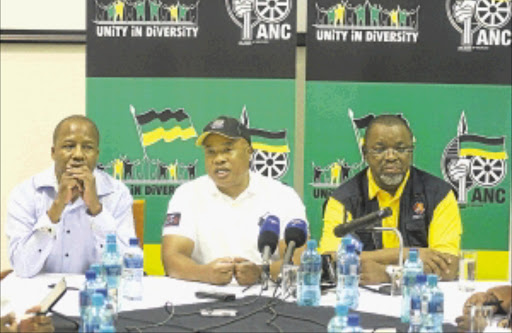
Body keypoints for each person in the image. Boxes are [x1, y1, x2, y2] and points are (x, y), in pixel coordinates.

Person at [161, 116, 307, 286]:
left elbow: (298, 261)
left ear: (249, 152)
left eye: (227, 150)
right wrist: (205, 273)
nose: (218, 159)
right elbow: (172, 259)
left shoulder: (283, 195)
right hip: (202, 297)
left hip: (266, 297)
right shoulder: (187, 194)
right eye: (211, 152)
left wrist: (260, 273)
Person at [318, 115, 462, 284]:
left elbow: (447, 268)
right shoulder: (343, 200)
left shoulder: (438, 194)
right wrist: (409, 254)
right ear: (365, 154)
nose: (391, 157)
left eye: (401, 149)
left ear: (411, 152)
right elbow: (330, 262)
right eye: (380, 149)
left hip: (420, 298)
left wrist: (389, 274)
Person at [6, 115, 136, 277]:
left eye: (87, 147)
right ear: (53, 152)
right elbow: (22, 267)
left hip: (96, 293)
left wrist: (96, 209)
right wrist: (57, 207)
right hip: (42, 296)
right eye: (69, 146)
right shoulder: (26, 193)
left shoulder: (117, 193)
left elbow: (127, 269)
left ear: (96, 154)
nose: (78, 155)